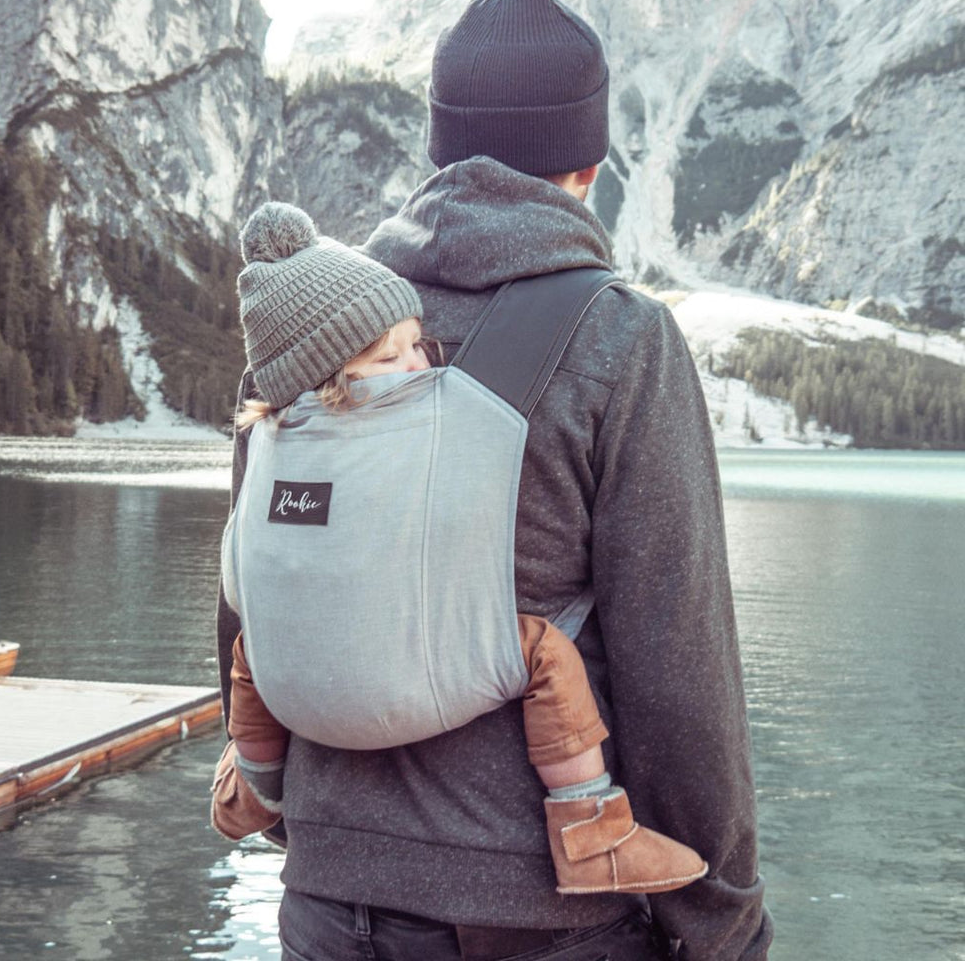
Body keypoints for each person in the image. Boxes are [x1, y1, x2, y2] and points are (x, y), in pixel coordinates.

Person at [216, 0, 772, 961]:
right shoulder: (618, 337)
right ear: (588, 166)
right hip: (543, 918)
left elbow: (255, 598)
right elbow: (678, 671)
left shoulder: (312, 327)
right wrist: (721, 926)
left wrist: (313, 828)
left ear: (440, 148)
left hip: (325, 907)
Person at [212, 201, 708, 901]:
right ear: (328, 382)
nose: (418, 364)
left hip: (296, 705)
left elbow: (238, 593)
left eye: (417, 344)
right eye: (389, 357)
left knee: (248, 651)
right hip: (415, 684)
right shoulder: (432, 428)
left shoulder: (271, 443)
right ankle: (589, 828)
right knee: (544, 655)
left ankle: (255, 787)